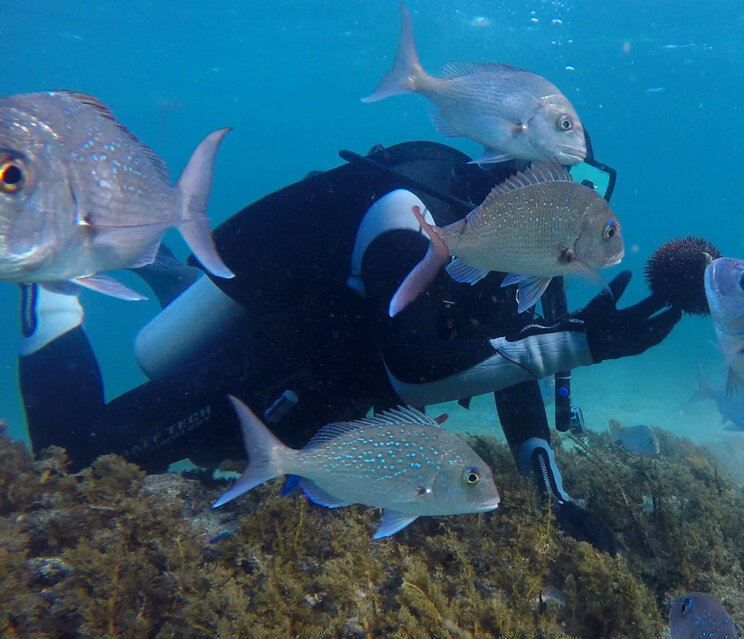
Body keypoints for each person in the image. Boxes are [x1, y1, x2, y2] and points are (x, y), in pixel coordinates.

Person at [17, 137, 682, 551]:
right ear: (503, 169)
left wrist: (554, 498)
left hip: (331, 405)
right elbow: (412, 367)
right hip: (281, 360)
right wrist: (584, 343)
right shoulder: (406, 211)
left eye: (578, 194)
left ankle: (166, 265)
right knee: (72, 453)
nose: (564, 204)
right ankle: (52, 284)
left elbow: (514, 372)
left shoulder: (537, 258)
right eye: (550, 184)